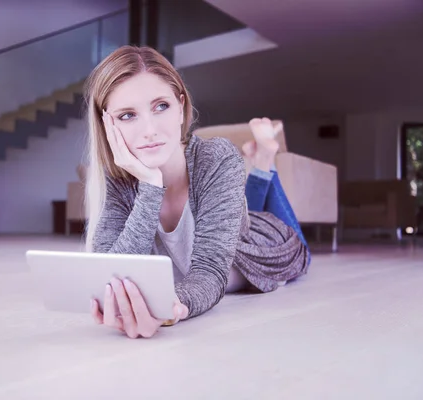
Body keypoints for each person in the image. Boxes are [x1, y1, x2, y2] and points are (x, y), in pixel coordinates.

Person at [83, 45, 311, 339]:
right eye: (128, 115)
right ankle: (261, 162)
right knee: (241, 213)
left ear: (180, 107)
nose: (149, 130)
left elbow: (210, 272)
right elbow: (110, 272)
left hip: (267, 245)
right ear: (107, 124)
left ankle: (265, 158)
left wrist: (173, 306)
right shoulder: (120, 179)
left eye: (161, 106)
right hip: (230, 221)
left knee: (293, 245)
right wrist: (150, 186)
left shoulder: (215, 157)